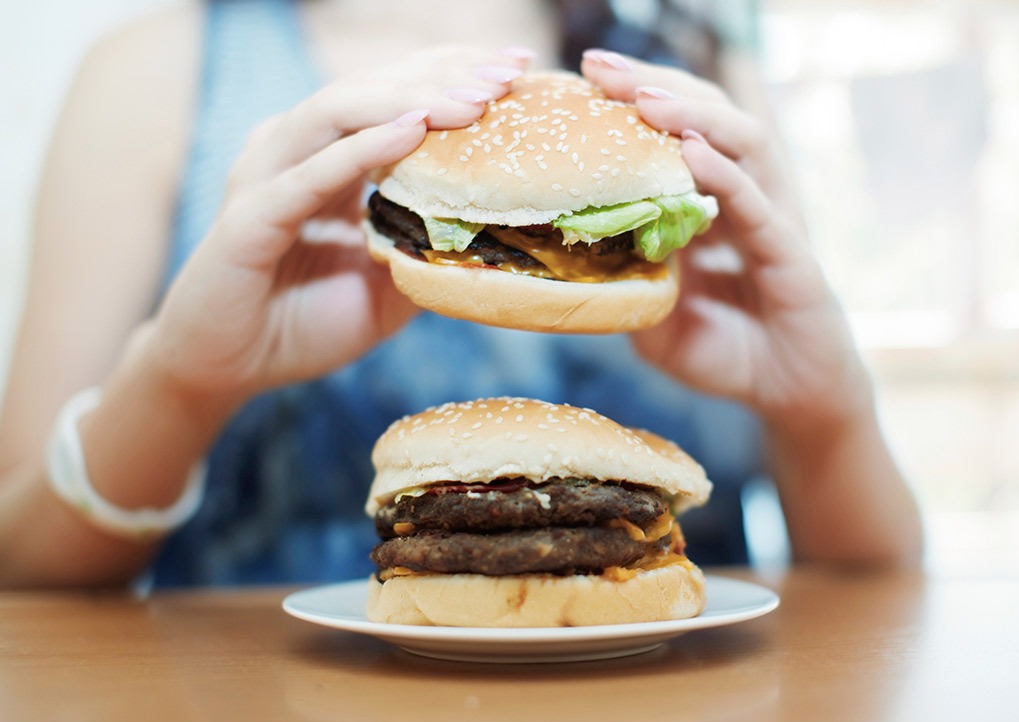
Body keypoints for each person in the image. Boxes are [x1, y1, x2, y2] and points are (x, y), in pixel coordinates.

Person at [0, 0, 922, 588]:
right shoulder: (157, 72)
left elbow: (878, 600)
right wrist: (178, 382)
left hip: (683, 708)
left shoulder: (691, 64)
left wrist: (822, 411)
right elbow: (20, 565)